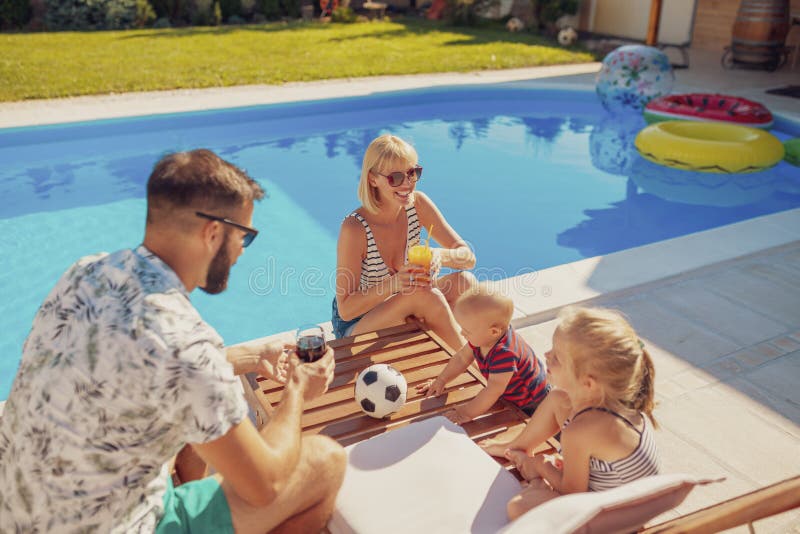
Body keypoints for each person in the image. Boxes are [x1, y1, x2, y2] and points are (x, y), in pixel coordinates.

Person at [0, 149, 346, 534]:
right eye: (243, 238)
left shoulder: (87, 273)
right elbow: (267, 485)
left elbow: (151, 363)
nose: (239, 255)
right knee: (325, 462)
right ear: (213, 233)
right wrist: (298, 389)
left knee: (193, 419)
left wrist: (249, 357)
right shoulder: (185, 344)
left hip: (19, 511)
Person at [479, 306, 660, 521]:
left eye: (556, 357)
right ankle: (516, 448)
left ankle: (535, 480)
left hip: (614, 517)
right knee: (557, 398)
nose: (546, 355)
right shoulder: (617, 402)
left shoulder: (581, 431)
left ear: (588, 383)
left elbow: (573, 494)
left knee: (519, 507)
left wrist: (541, 465)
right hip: (622, 494)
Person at [333, 134, 476, 350]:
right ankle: (478, 368)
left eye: (413, 173)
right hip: (357, 324)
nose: (408, 183)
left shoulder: (417, 205)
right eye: (396, 178)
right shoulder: (355, 229)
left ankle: (475, 354)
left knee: (465, 283)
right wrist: (396, 283)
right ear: (373, 179)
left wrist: (439, 255)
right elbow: (346, 309)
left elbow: (468, 258)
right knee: (423, 294)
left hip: (403, 303)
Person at [416, 284, 549, 423]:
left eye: (467, 331)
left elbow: (493, 390)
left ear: (493, 331)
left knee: (547, 431)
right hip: (511, 395)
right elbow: (462, 358)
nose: (462, 333)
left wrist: (465, 413)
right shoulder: (483, 337)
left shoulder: (505, 354)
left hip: (535, 403)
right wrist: (441, 380)